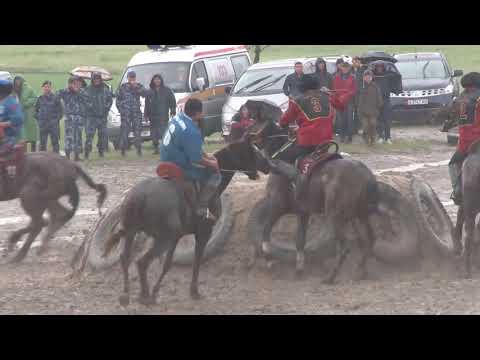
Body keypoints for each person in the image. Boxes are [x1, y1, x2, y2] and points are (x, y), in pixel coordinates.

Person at [259, 74, 346, 201]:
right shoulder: (327, 96)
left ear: (302, 87)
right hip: (327, 140)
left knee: (277, 159)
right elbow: (342, 106)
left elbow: (284, 121)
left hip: (307, 141)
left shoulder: (297, 100)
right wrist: (330, 94)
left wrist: (285, 125)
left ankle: (297, 182)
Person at [160, 98, 221, 221]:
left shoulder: (178, 118)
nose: (202, 114)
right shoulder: (191, 130)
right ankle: (202, 206)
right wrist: (212, 163)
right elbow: (196, 159)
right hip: (178, 164)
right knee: (214, 174)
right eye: (201, 112)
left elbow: (187, 145)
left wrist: (206, 155)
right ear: (197, 114)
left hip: (165, 157)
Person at [447, 72, 480, 205]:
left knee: (453, 163)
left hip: (466, 143)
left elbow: (452, 119)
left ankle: (457, 191)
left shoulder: (460, 99)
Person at [57, 76, 91, 161]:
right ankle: (67, 156)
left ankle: (77, 156)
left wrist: (78, 92)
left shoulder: (82, 92)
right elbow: (56, 96)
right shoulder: (65, 92)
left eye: (78, 84)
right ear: (70, 84)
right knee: (69, 137)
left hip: (79, 117)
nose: (77, 85)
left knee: (78, 137)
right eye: (74, 84)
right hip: (69, 117)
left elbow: (88, 102)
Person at [116, 71, 148, 157]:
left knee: (137, 131)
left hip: (136, 113)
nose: (132, 79)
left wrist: (136, 88)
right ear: (128, 78)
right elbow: (117, 99)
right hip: (125, 114)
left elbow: (145, 94)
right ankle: (123, 149)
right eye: (130, 77)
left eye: (133, 77)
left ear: (135, 77)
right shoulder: (123, 87)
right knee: (124, 132)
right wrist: (121, 110)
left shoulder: (139, 86)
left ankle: (139, 150)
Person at [144, 74, 176, 154]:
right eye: (155, 79)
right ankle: (156, 148)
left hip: (163, 115)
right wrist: (146, 115)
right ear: (153, 81)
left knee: (163, 133)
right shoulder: (149, 91)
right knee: (154, 134)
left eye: (158, 79)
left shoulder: (167, 90)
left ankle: (165, 148)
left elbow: (172, 101)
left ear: (161, 80)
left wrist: (172, 111)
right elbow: (147, 104)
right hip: (153, 116)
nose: (157, 81)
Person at [84, 72, 113, 159]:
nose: (97, 81)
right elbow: (85, 101)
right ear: (92, 80)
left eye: (98, 79)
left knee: (102, 136)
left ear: (100, 80)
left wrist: (106, 108)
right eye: (95, 79)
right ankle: (87, 153)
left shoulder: (105, 89)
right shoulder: (88, 89)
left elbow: (110, 100)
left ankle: (101, 151)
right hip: (91, 117)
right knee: (89, 136)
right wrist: (92, 108)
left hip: (102, 117)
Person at [34, 81, 63, 153]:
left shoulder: (56, 98)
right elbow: (35, 111)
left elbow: (61, 111)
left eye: (48, 87)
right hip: (43, 125)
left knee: (55, 143)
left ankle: (56, 158)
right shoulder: (40, 98)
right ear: (42, 88)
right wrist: (39, 119)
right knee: (42, 144)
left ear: (51, 88)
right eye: (45, 87)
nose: (47, 88)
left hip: (53, 125)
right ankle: (42, 160)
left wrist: (56, 120)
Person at [372, 62, 397, 144]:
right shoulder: (373, 76)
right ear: (376, 67)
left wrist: (391, 73)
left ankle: (388, 137)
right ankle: (380, 136)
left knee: (387, 120)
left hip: (386, 100)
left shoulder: (388, 75)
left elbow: (395, 78)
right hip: (376, 101)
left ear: (383, 67)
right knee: (379, 120)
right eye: (378, 67)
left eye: (381, 66)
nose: (379, 68)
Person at [333, 62, 357, 143]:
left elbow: (353, 90)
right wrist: (339, 97)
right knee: (341, 120)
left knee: (349, 120)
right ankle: (342, 136)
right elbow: (335, 89)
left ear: (349, 68)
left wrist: (345, 96)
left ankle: (349, 136)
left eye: (347, 67)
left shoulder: (352, 77)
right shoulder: (336, 77)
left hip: (349, 101)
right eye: (344, 67)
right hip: (339, 102)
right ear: (341, 68)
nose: (345, 69)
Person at [357, 70, 383, 146]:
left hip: (373, 111)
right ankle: (365, 136)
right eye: (366, 77)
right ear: (363, 77)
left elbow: (379, 98)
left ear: (371, 78)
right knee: (365, 126)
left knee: (373, 124)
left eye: (369, 77)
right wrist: (358, 106)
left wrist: (379, 105)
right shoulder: (361, 86)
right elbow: (356, 97)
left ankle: (372, 139)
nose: (367, 78)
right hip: (362, 111)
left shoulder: (375, 86)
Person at [13, 76, 38, 152]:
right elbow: (12, 101)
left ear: (22, 81)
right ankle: (24, 154)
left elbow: (34, 98)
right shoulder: (13, 90)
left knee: (32, 136)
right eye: (16, 81)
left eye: (19, 80)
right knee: (22, 137)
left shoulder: (28, 88)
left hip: (29, 115)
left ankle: (33, 153)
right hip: (19, 115)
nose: (17, 82)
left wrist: (25, 104)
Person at [0, 79, 23, 154]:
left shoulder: (12, 103)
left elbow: (19, 119)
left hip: (9, 139)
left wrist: (2, 124)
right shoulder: (2, 102)